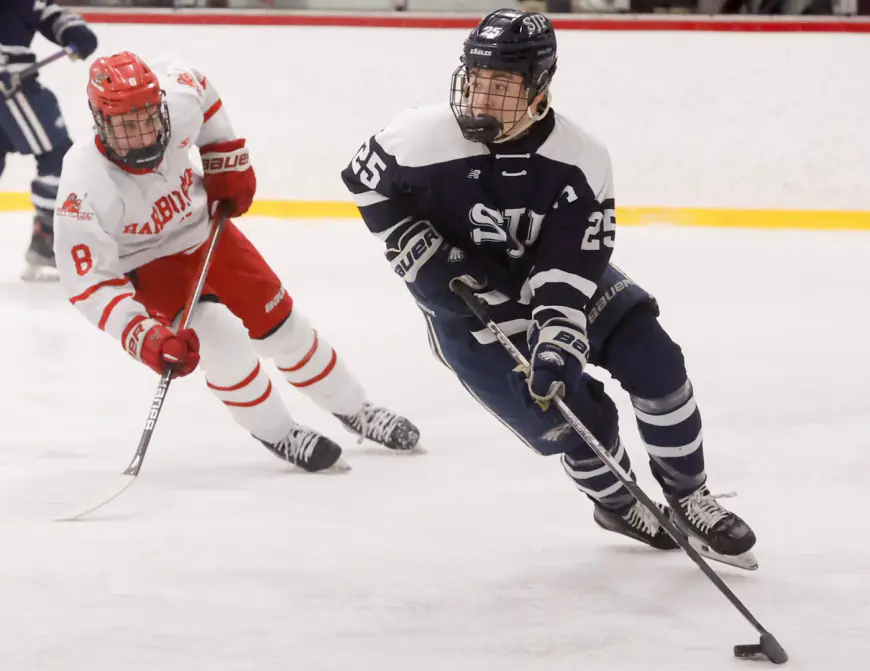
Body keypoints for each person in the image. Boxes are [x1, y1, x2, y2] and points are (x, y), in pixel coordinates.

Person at [341, 8, 757, 568]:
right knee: (573, 420)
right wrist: (414, 248)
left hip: (555, 278)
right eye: (476, 80)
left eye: (503, 85)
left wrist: (558, 340)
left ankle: (690, 496)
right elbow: (366, 182)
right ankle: (617, 501)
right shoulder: (418, 134)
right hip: (466, 304)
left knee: (654, 361)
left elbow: (568, 269)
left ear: (540, 87)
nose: (483, 99)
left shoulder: (581, 159)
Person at [53, 51, 420, 473]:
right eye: (127, 126)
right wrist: (141, 333)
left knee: (288, 330)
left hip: (208, 235)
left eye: (150, 119)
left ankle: (357, 409)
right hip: (147, 266)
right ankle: (281, 433)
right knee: (224, 344)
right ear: (100, 122)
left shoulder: (178, 104)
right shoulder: (83, 183)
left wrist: (224, 156)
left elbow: (198, 85)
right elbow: (88, 283)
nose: (144, 135)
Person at [0, 0, 98, 281]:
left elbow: (45, 14)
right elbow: (43, 12)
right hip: (9, 85)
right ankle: (47, 238)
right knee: (57, 155)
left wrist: (74, 33)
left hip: (12, 81)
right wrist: (76, 34)